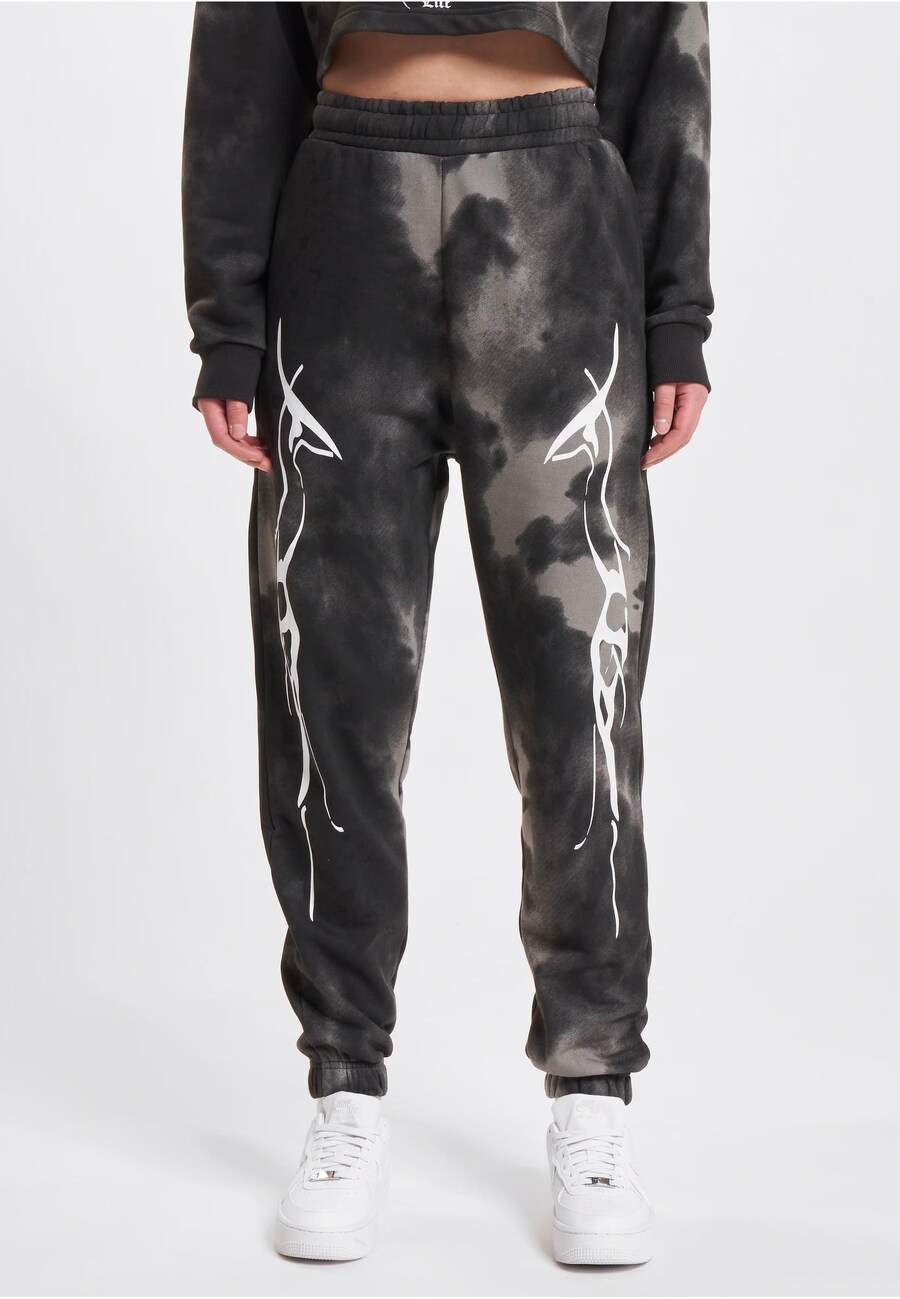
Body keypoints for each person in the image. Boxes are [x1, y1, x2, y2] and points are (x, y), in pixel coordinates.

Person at [181, 0, 712, 1267]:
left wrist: (678, 310)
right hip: (341, 242)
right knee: (331, 687)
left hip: (559, 234)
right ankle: (344, 1085)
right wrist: (227, 320)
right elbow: (242, 51)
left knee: (582, 688)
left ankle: (592, 1089)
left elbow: (665, 48)